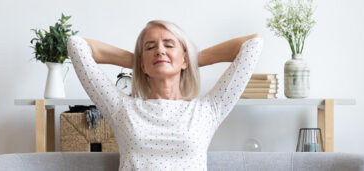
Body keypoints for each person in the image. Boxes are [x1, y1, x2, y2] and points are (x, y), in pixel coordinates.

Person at [67, 20, 262, 170]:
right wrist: (140, 62)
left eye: (169, 45)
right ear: (142, 64)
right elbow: (76, 45)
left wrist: (190, 59)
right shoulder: (121, 108)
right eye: (150, 47)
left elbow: (253, 44)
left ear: (185, 59)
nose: (160, 50)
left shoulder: (208, 110)